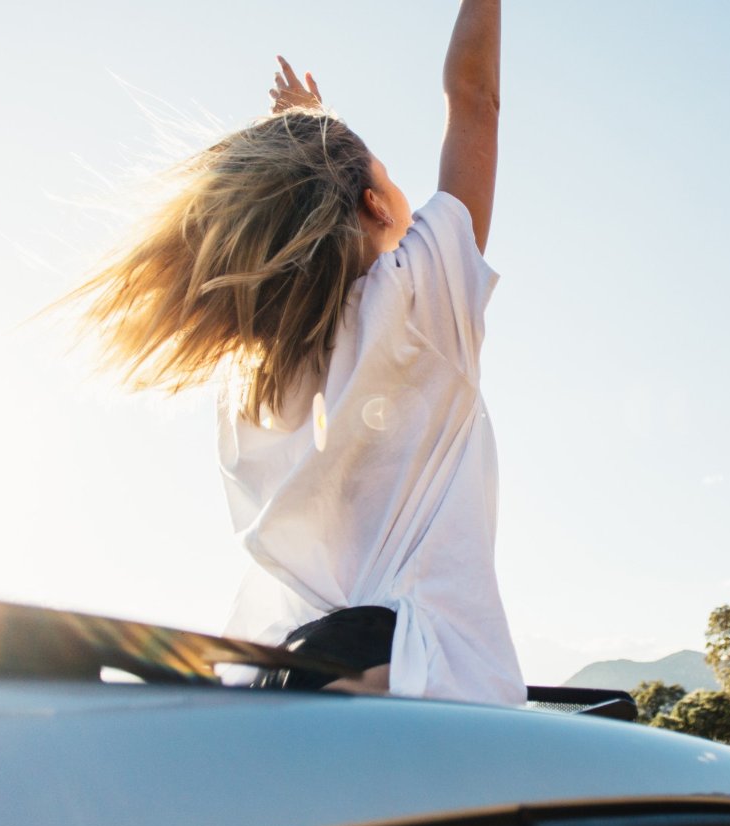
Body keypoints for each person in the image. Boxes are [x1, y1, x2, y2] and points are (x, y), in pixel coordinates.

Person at [70, 0, 523, 704]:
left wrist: (318, 145)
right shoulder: (421, 310)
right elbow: (474, 100)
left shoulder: (255, 379)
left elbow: (336, 263)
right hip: (422, 681)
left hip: (290, 681)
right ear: (374, 205)